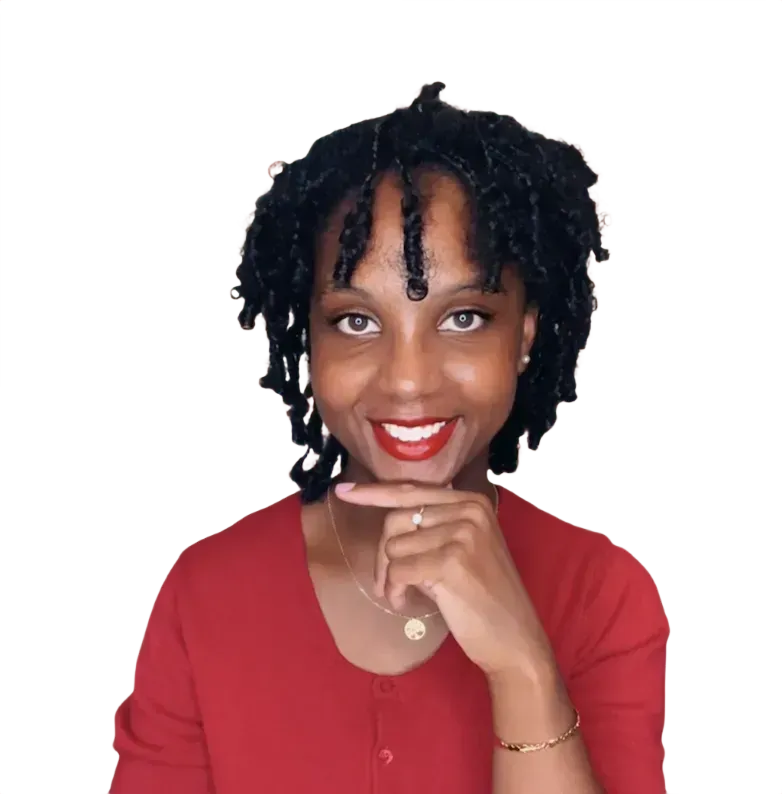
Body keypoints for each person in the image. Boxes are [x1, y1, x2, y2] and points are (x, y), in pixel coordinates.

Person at [108, 80, 670, 793]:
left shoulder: (601, 594)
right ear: (309, 343)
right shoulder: (207, 594)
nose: (408, 379)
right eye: (356, 321)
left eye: (463, 318)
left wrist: (522, 668)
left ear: (524, 337)